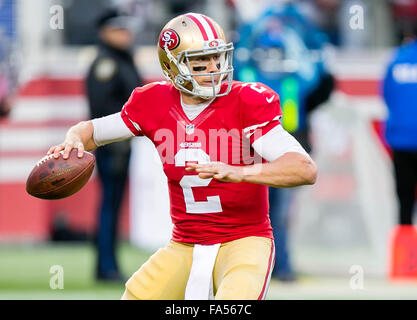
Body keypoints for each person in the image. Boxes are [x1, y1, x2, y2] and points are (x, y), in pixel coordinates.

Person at [47, 13, 317, 299]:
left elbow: (303, 168)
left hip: (244, 239)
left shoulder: (247, 101)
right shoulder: (152, 102)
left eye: (218, 58)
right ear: (173, 67)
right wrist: (74, 138)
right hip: (185, 243)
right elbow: (93, 130)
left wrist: (241, 172)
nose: (215, 69)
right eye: (202, 62)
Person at [234, 3, 334, 282]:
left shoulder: (251, 39)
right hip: (285, 139)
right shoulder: (299, 40)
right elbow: (319, 77)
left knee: (263, 206)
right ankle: (280, 265)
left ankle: (265, 264)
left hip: (255, 141)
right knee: (277, 207)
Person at [85, 9, 142, 282]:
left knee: (114, 204)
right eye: (119, 30)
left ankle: (108, 263)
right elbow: (102, 109)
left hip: (123, 145)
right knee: (109, 204)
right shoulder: (105, 63)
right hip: (111, 147)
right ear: (105, 32)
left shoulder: (123, 59)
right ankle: (106, 267)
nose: (125, 34)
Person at [383, 28, 417, 278]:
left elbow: (386, 95)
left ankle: (404, 264)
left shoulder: (396, 59)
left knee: (404, 200)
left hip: (401, 139)